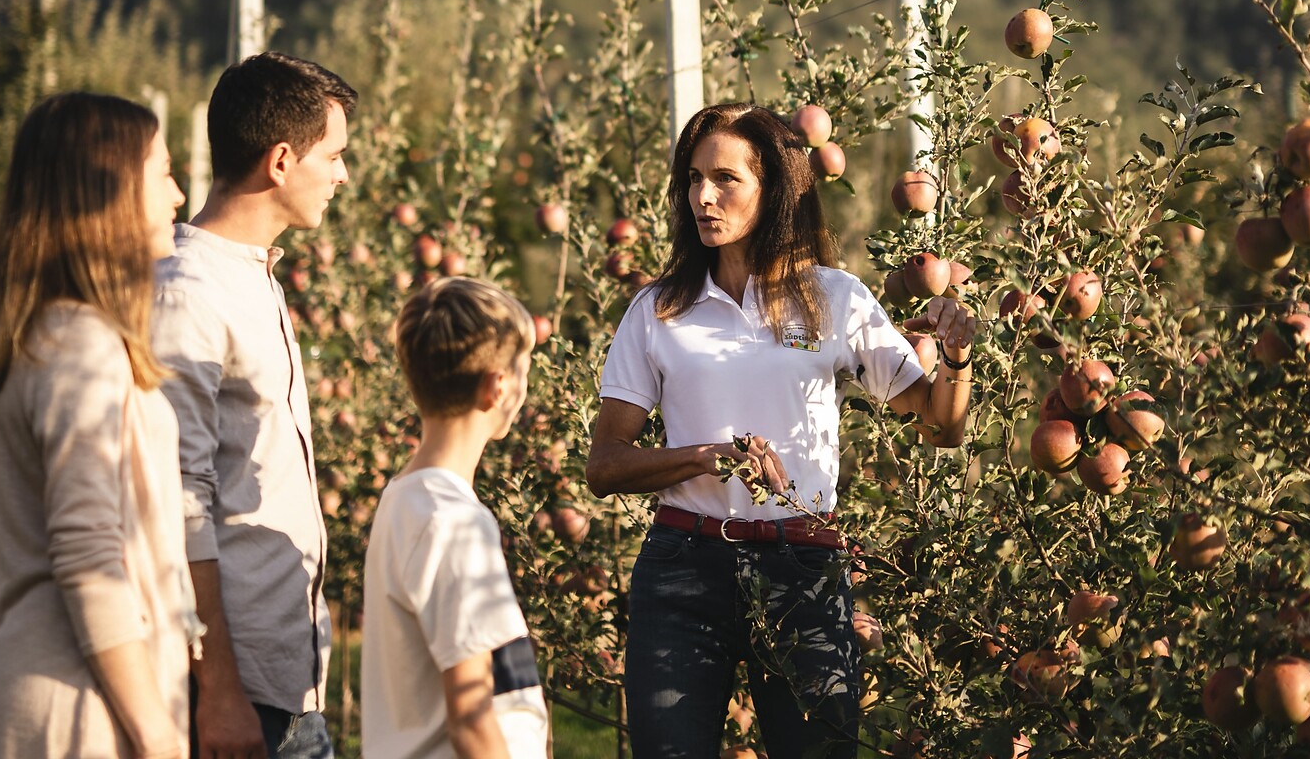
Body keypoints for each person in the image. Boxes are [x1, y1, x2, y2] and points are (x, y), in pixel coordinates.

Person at [587, 103, 978, 759]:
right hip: (684, 568)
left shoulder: (836, 297)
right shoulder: (659, 309)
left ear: (776, 191)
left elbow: (940, 427)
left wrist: (959, 360)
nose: (702, 196)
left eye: (725, 179)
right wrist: (706, 457)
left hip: (803, 570)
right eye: (692, 178)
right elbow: (605, 466)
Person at [0, 91, 198, 759]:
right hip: (84, 707)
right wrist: (156, 732)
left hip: (75, 691)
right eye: (162, 174)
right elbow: (88, 552)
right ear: (108, 192)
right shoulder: (78, 344)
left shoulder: (55, 334)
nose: (179, 195)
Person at [151, 52, 356, 759]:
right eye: (332, 155)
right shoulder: (189, 294)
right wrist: (220, 693)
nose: (341, 174)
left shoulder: (254, 276)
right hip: (237, 692)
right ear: (279, 161)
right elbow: (179, 501)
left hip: (287, 680)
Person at [359, 277, 551, 759]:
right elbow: (471, 720)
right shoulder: (454, 523)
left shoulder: (404, 500)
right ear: (498, 386)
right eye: (523, 369)